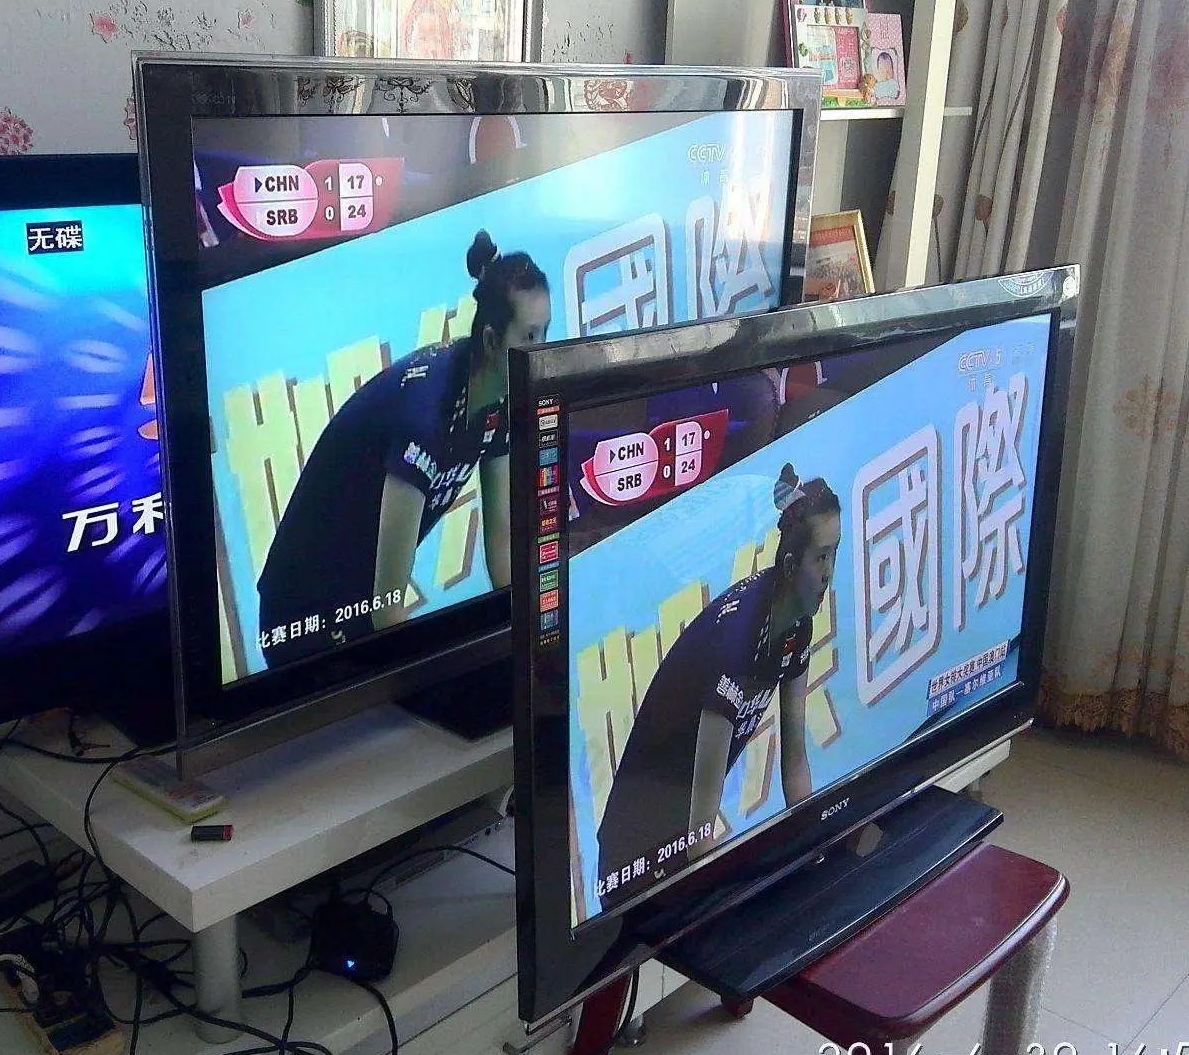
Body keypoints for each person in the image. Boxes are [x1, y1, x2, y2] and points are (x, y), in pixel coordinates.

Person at [256, 231, 550, 667]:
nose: (541, 352)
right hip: (303, 610)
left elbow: (503, 555)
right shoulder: (426, 413)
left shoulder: (501, 398)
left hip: (361, 600)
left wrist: (537, 643)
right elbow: (387, 608)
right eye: (529, 336)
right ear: (492, 340)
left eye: (546, 333)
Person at [593, 463, 842, 904]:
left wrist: (819, 858)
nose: (829, 572)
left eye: (834, 555)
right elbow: (701, 830)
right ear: (790, 564)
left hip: (684, 830)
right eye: (821, 557)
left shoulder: (796, 624)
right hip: (635, 849)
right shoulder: (736, 644)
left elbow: (795, 764)